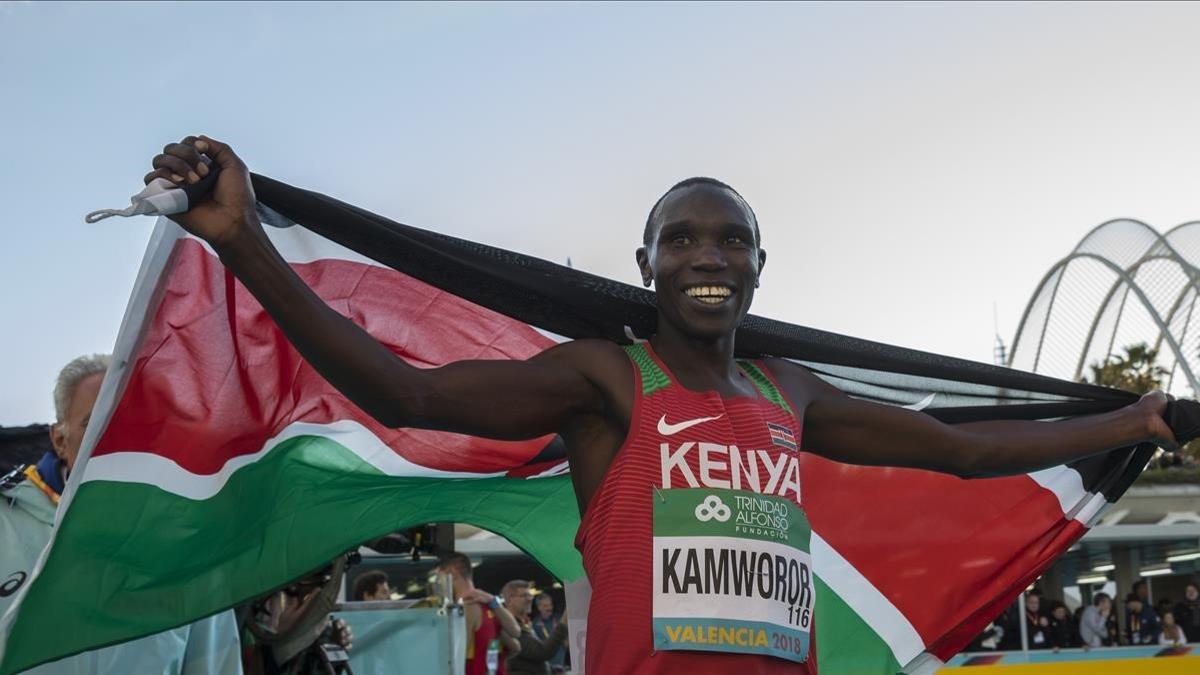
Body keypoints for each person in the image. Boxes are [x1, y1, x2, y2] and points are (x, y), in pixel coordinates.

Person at [146, 135, 1178, 674]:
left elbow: (957, 452)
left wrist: (1128, 425)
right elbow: (405, 393)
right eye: (683, 239)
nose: (708, 256)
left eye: (730, 240)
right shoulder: (606, 381)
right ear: (646, 264)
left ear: (762, 266)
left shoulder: (789, 392)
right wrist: (245, 244)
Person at [0, 354, 242, 674]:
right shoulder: (6, 526)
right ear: (60, 439)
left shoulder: (190, 554)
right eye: (96, 421)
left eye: (135, 424)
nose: (118, 438)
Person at [436, 553, 521, 675]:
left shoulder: (466, 607)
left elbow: (454, 658)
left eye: (440, 578)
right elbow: (515, 645)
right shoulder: (488, 605)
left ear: (452, 574)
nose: (439, 584)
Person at [501, 580, 569, 675]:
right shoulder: (509, 628)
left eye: (530, 595)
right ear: (510, 600)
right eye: (524, 595)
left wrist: (552, 670)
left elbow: (530, 661)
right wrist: (565, 619)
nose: (530, 599)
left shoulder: (522, 624)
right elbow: (543, 652)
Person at [529, 594, 567, 670]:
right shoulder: (534, 624)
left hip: (562, 664)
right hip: (546, 667)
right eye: (545, 606)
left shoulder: (560, 618)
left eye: (550, 605)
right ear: (539, 607)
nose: (549, 608)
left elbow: (567, 642)